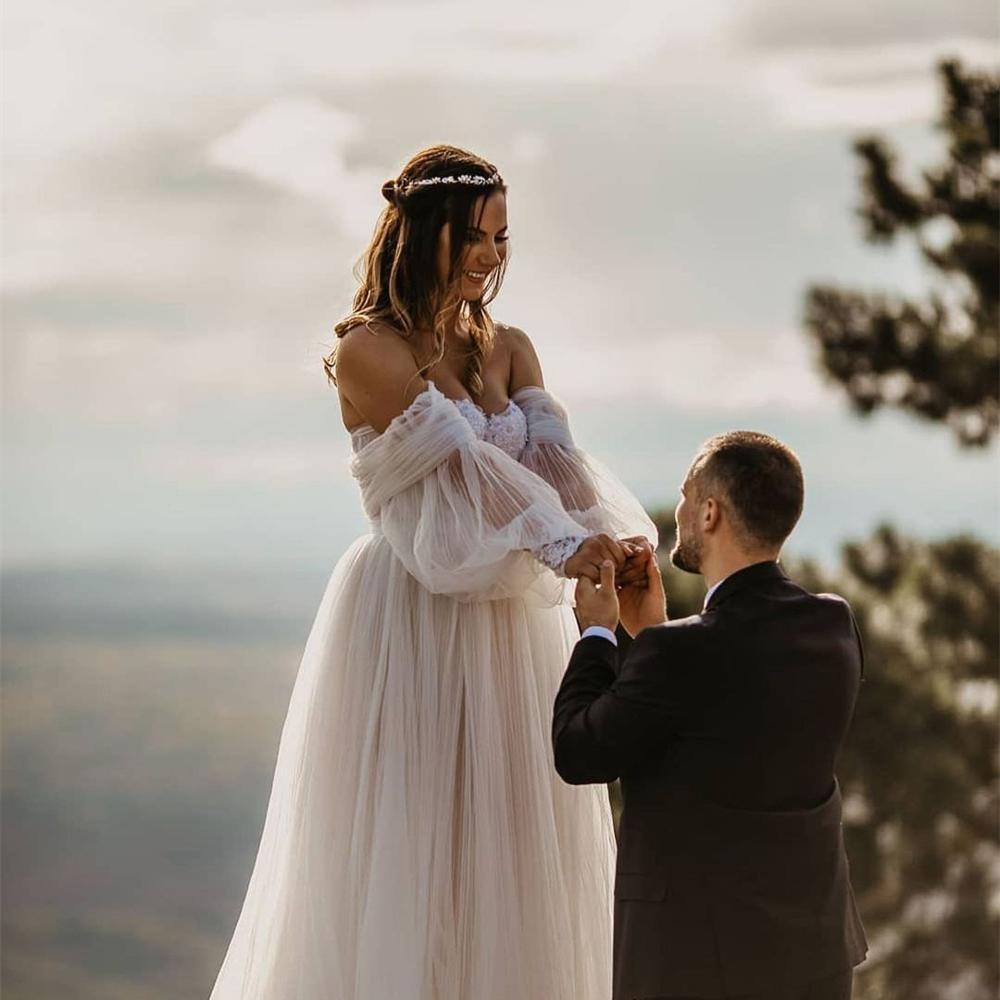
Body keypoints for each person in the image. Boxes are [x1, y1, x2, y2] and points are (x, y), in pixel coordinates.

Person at [209, 144, 657, 1000]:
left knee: (512, 844)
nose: (491, 255)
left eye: (501, 237)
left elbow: (558, 472)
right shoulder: (367, 350)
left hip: (512, 624)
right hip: (411, 613)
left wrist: (607, 543)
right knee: (415, 846)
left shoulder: (510, 348)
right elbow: (466, 474)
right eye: (474, 235)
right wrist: (565, 546)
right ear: (424, 234)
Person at [554, 431, 868, 1000]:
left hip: (695, 958)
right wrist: (651, 634)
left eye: (684, 495)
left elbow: (578, 750)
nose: (677, 511)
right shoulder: (832, 624)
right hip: (814, 948)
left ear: (709, 512)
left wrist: (598, 631)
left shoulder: (679, 654)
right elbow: (731, 719)